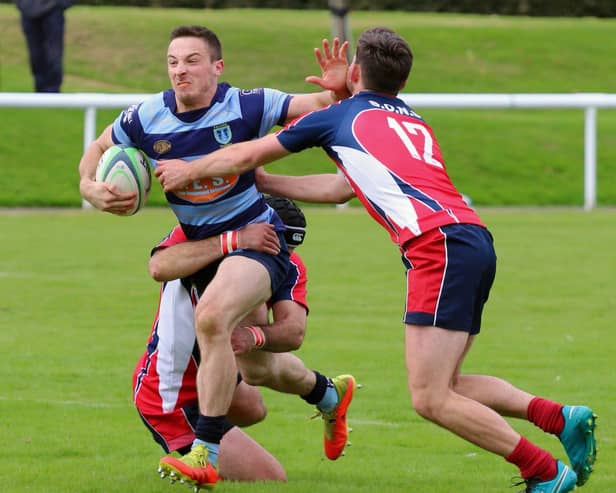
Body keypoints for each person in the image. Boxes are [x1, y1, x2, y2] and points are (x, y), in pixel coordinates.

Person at [154, 27, 598, 493]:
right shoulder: (410, 119)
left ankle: (544, 472)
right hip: (470, 238)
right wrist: (267, 183)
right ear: (400, 83)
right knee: (448, 384)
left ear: (357, 71)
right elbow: (344, 186)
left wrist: (191, 168)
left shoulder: (338, 116)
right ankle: (560, 418)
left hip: (436, 247)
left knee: (430, 398)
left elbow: (247, 152)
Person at [78, 24, 355, 490]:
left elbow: (317, 106)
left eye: (191, 60)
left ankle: (203, 452)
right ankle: (328, 394)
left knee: (212, 319)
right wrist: (90, 188)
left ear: (216, 67)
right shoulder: (146, 118)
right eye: (172, 62)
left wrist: (338, 89)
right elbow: (98, 147)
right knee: (255, 373)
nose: (180, 71)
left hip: (256, 240)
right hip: (203, 246)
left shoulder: (246, 105)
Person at [134, 197, 350, 484]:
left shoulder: (287, 264)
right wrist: (231, 242)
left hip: (222, 374)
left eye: (289, 250)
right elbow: (159, 266)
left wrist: (254, 337)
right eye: (278, 244)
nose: (282, 256)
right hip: (170, 395)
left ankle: (327, 394)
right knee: (270, 480)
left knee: (253, 403)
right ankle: (201, 450)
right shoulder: (205, 233)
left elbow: (294, 331)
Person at [15, 0, 71, 92]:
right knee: (35, 55)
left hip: (53, 10)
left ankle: (53, 91)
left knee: (53, 54)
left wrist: (61, 4)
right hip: (28, 10)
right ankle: (40, 89)